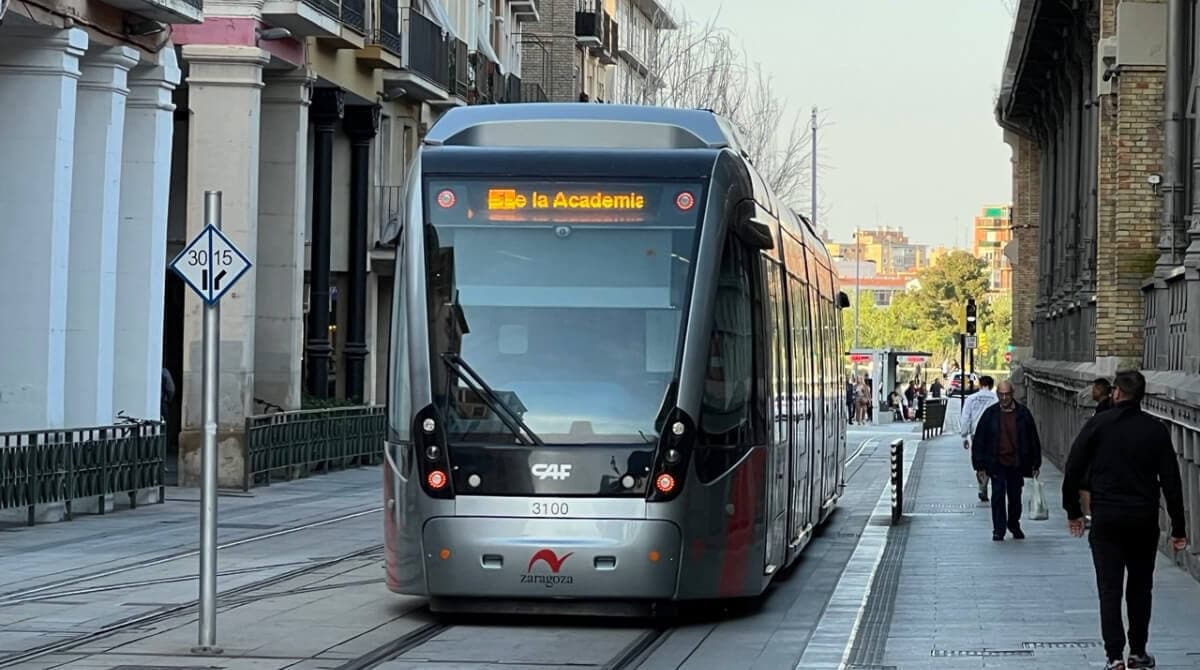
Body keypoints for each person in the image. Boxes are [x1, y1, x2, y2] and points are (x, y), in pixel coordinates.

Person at [1062, 370, 1187, 670]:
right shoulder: (1155, 430)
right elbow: (1171, 481)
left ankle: (1114, 655)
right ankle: (1138, 651)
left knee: (1110, 588)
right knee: (1141, 588)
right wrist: (1179, 528)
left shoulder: (1098, 425)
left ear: (1116, 393)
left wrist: (1073, 511)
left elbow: (1073, 467)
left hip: (1107, 518)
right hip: (1143, 520)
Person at [970, 380, 1041, 541]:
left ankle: (1013, 523)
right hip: (997, 463)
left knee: (1015, 497)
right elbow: (980, 440)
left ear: (1012, 394)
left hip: (1017, 463)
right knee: (998, 496)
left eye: (1006, 394)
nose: (1004, 398)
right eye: (1001, 395)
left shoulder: (1023, 414)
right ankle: (999, 529)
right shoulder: (990, 414)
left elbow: (1033, 439)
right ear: (997, 395)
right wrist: (979, 466)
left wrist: (1036, 463)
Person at [1080, 377, 1115, 525]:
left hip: (1100, 453)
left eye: (1094, 389)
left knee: (1085, 482)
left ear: (1100, 391)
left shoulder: (1103, 408)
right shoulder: (1107, 406)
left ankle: (1089, 515)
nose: (1092, 392)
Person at [960, 375, 998, 501]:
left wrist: (964, 435)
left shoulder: (971, 398)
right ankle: (988, 485)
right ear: (991, 385)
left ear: (980, 384)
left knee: (979, 460)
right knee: (991, 460)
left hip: (976, 433)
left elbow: (966, 417)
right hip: (992, 433)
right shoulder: (996, 398)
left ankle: (982, 486)